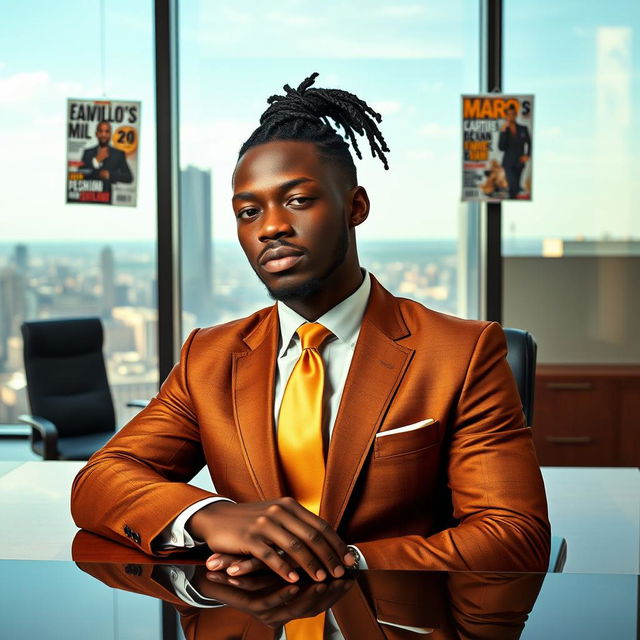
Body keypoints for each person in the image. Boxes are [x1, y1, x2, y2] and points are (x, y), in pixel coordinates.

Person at [71, 73, 549, 585]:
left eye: (297, 200)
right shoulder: (207, 357)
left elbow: (513, 532)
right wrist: (208, 517)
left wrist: (340, 564)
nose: (271, 226)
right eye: (249, 211)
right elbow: (100, 480)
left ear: (355, 207)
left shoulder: (461, 352)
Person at [80, 120, 133, 202]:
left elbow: (129, 177)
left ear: (110, 134)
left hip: (106, 200)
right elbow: (80, 175)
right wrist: (96, 161)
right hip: (87, 199)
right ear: (96, 134)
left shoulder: (118, 154)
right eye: (100, 131)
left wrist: (110, 175)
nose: (103, 135)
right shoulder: (87, 153)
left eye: (107, 131)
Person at [498, 104, 531, 198]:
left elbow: (529, 143)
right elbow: (501, 147)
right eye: (508, 114)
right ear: (506, 116)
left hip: (520, 163)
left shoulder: (523, 129)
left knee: (515, 188)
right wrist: (503, 133)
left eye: (512, 114)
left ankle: (512, 196)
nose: (510, 116)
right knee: (513, 186)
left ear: (516, 115)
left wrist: (527, 155)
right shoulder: (504, 130)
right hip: (508, 164)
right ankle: (512, 195)